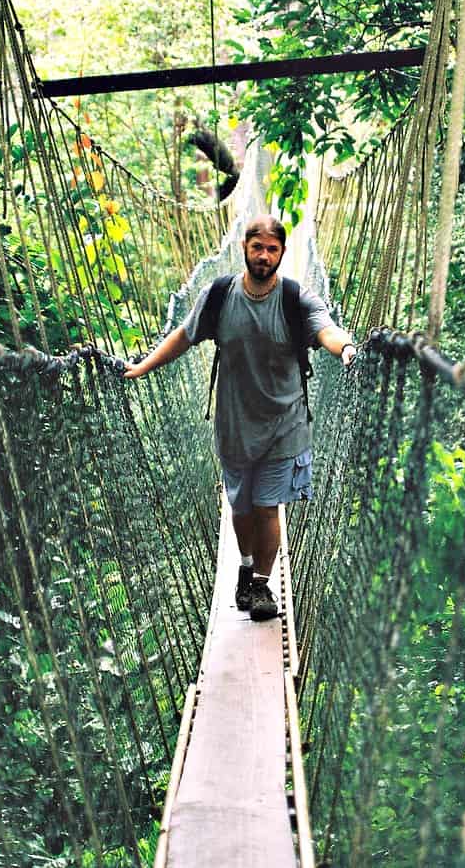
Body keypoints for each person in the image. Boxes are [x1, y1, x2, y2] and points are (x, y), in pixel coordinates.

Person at [124, 214, 356, 621]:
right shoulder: (218, 295)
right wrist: (144, 366)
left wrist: (347, 350)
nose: (264, 256)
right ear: (243, 249)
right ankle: (246, 565)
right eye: (257, 248)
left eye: (272, 249)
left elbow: (326, 329)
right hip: (234, 426)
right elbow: (184, 335)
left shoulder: (296, 299)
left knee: (268, 507)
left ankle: (262, 585)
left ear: (283, 253)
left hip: (285, 425)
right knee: (242, 508)